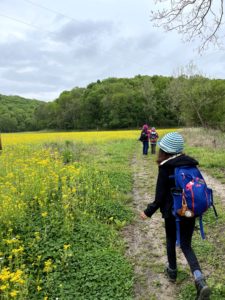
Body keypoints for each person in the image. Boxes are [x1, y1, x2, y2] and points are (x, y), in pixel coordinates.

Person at [140, 132, 211, 300]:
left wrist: (147, 212)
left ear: (164, 150)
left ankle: (172, 272)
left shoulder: (165, 168)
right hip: (189, 212)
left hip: (172, 214)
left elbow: (159, 198)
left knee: (171, 241)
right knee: (186, 245)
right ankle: (200, 280)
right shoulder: (190, 164)